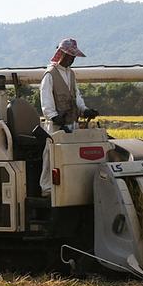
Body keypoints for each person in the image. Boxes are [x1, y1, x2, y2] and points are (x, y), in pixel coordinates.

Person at [39, 38, 99, 196]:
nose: (72, 59)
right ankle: (47, 189)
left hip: (71, 123)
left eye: (74, 57)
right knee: (51, 155)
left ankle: (67, 188)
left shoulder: (71, 74)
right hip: (55, 126)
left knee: (70, 156)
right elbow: (46, 101)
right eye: (70, 56)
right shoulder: (50, 75)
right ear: (61, 54)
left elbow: (76, 97)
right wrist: (54, 117)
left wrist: (85, 110)